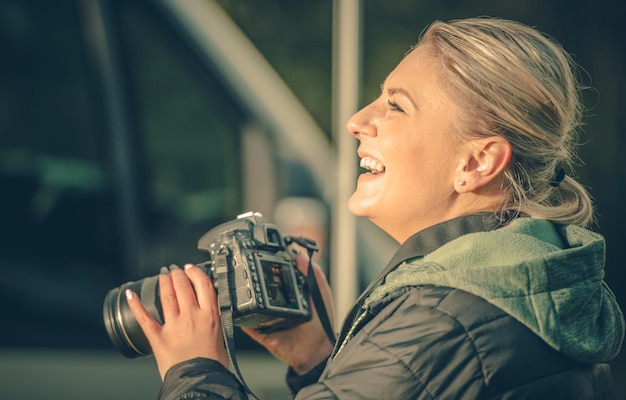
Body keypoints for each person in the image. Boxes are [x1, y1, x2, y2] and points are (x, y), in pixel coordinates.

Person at [126, 17, 625, 399]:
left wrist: (195, 370)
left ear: (477, 161)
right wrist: (320, 360)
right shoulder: (533, 283)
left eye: (396, 105)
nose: (357, 120)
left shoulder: (444, 317)